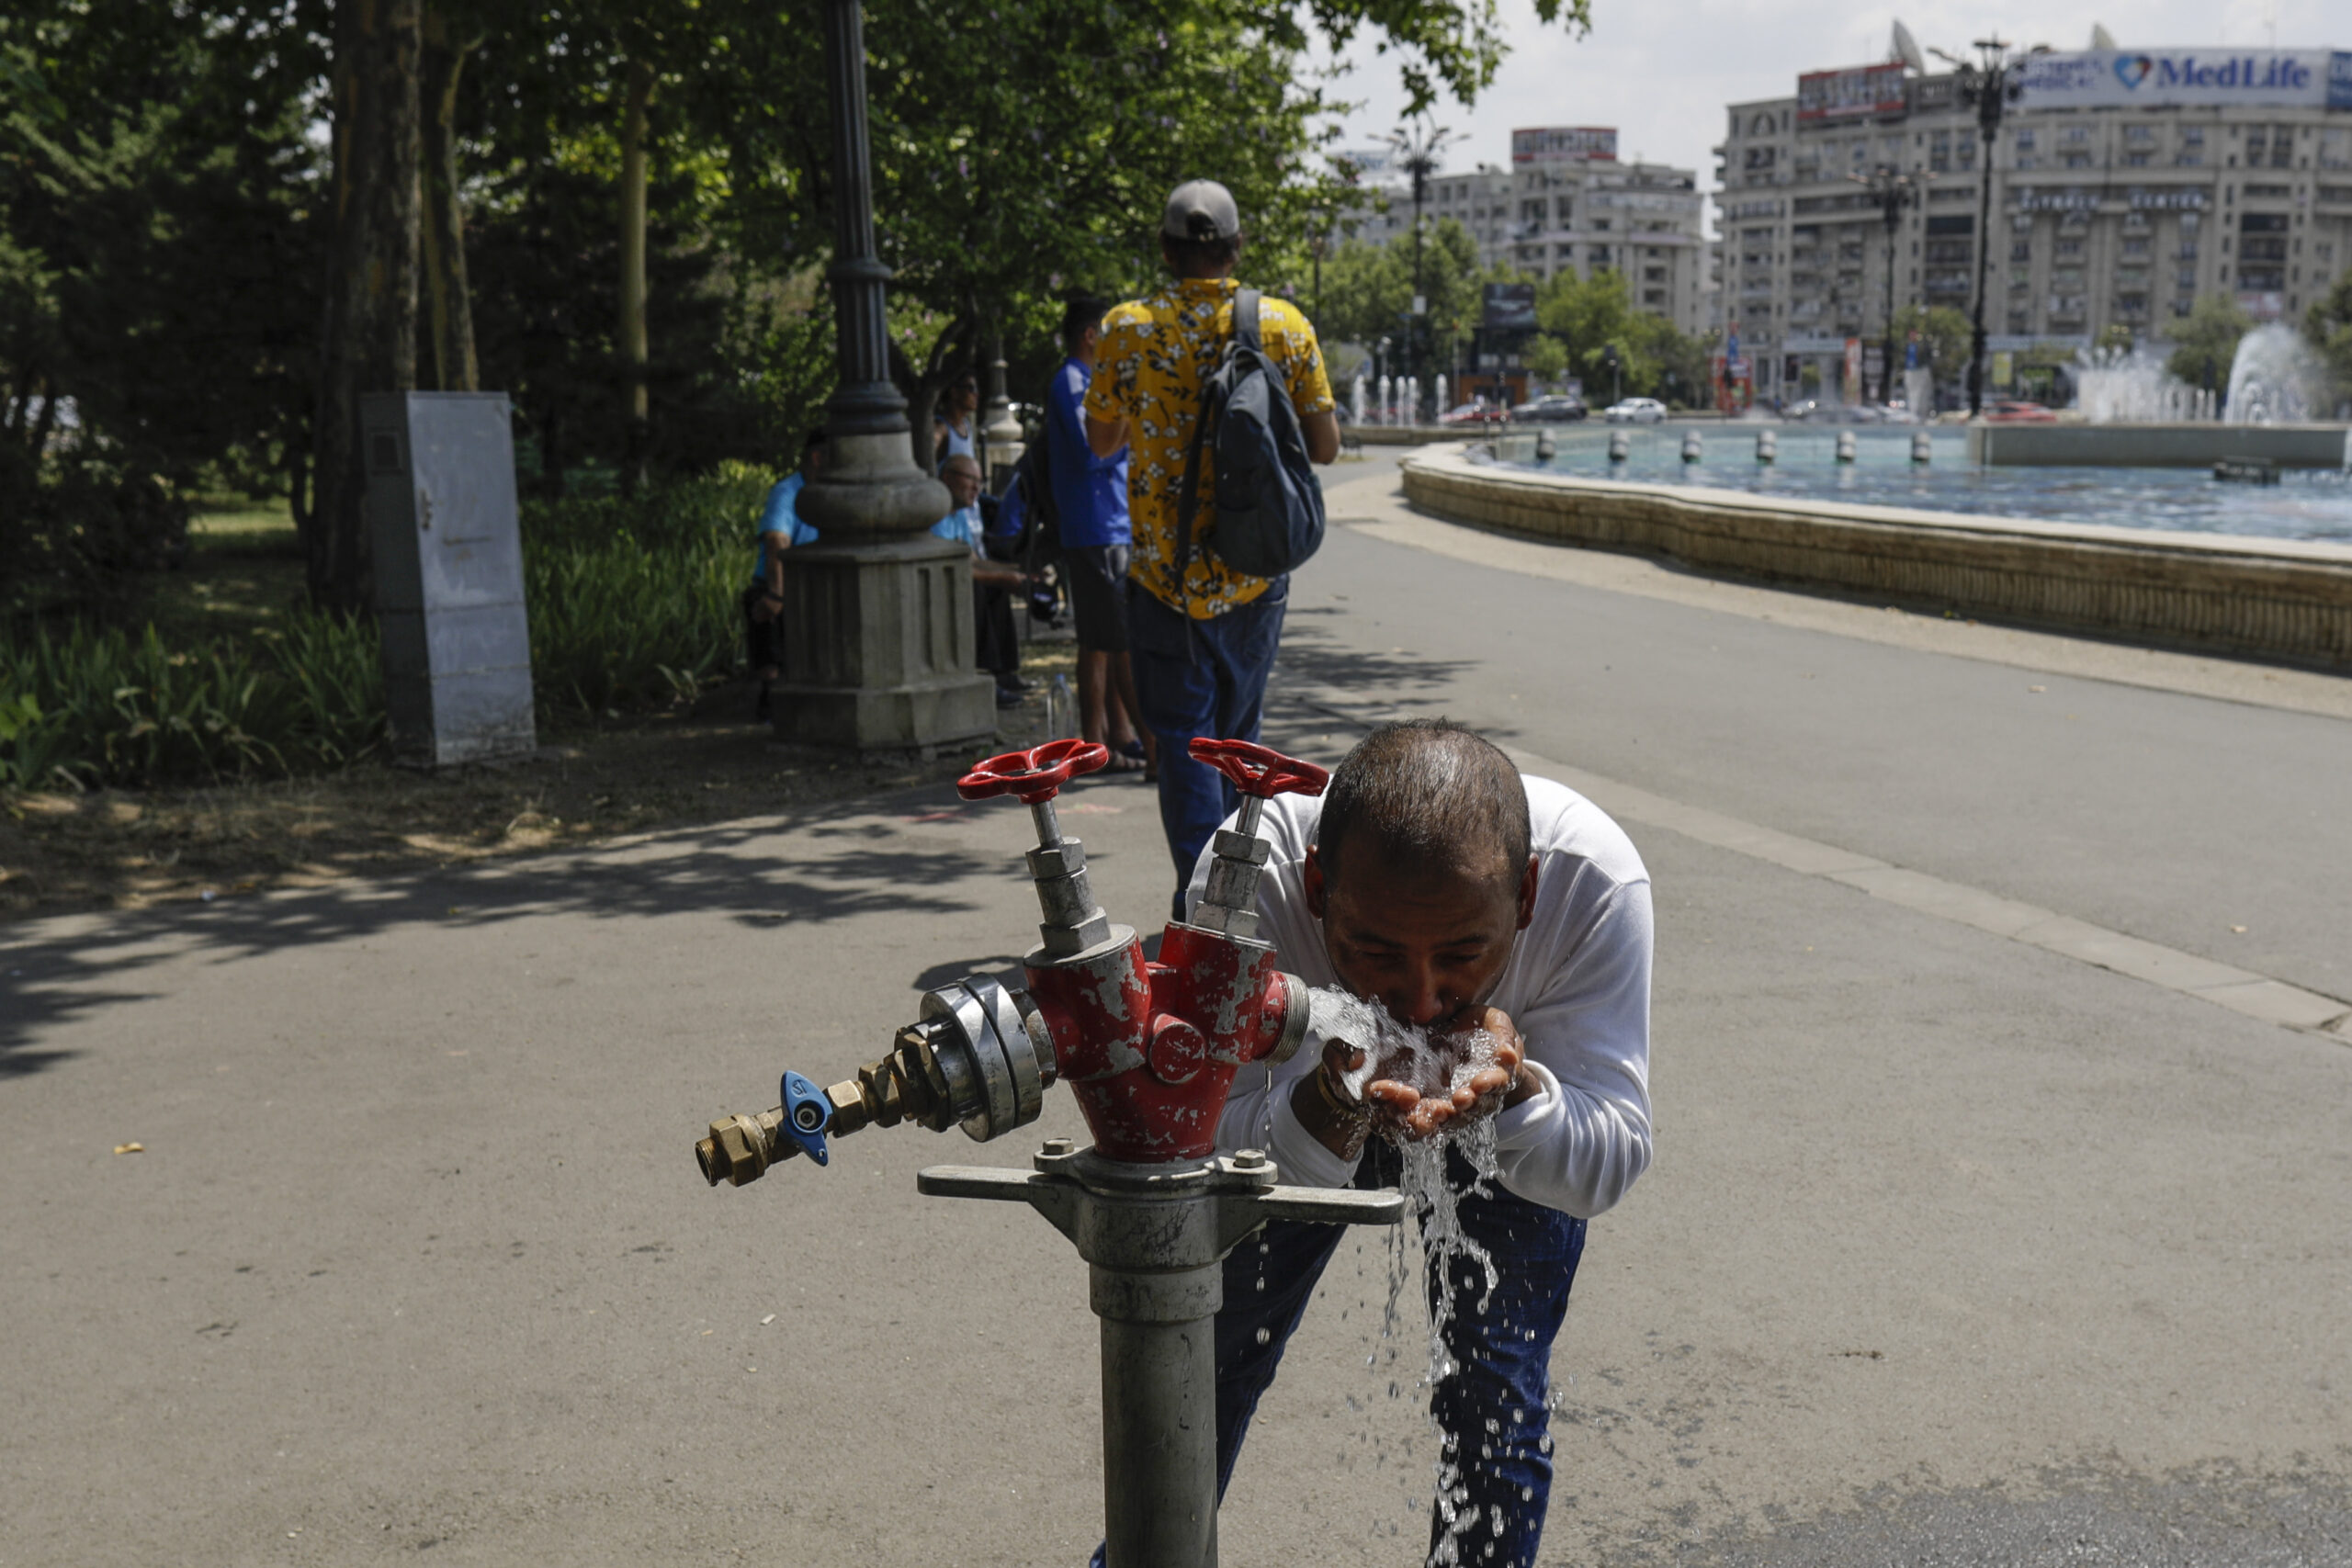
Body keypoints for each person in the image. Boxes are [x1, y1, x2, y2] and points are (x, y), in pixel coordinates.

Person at [1200, 719, 1654, 1568]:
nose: (1416, 997)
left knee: (1495, 1399)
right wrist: (1327, 1105)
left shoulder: (1594, 881)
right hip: (1309, 1094)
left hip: (1505, 1110)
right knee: (1200, 1363)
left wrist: (1514, 1093)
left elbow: (1612, 1152)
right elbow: (1200, 1143)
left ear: (1526, 897)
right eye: (1373, 950)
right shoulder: (1243, 876)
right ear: (1315, 887)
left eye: (1462, 953)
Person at [1085, 179, 1342, 907]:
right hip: (1254, 571)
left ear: (1166, 250)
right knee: (1240, 739)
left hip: (1162, 579)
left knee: (1183, 745)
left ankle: (1201, 904)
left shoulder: (1127, 329)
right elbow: (1325, 448)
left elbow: (1102, 443)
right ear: (1237, 248)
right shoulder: (1284, 325)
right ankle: (1242, 900)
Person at [1047, 296, 1152, 776]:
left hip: (1109, 523)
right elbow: (1094, 452)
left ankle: (1108, 740)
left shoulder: (1088, 383)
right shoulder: (1072, 382)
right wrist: (1134, 424)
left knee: (1103, 638)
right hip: (1095, 526)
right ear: (1091, 335)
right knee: (1114, 637)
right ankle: (1141, 747)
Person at [744, 427, 826, 720]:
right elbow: (777, 541)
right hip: (786, 583)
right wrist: (777, 594)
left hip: (822, 584)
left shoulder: (835, 494)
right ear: (817, 458)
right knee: (764, 603)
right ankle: (771, 693)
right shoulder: (787, 491)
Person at [937, 453, 1031, 707]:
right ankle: (985, 675)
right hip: (939, 594)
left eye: (980, 481)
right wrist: (1004, 576)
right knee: (980, 587)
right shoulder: (936, 516)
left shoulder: (958, 515)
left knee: (996, 587)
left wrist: (1019, 571)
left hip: (957, 583)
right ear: (948, 478)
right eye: (971, 480)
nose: (977, 488)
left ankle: (1004, 672)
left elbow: (976, 560)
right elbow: (955, 570)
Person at [934, 373, 979, 470]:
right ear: (954, 392)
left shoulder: (967, 425)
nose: (976, 394)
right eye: (971, 388)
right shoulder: (941, 428)